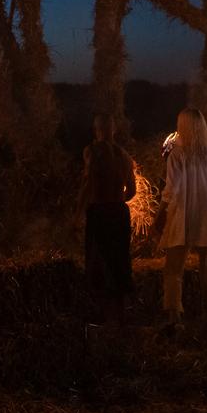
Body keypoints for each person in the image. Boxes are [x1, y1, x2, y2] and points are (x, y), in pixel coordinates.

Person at [160, 108, 207, 329]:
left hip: (183, 218)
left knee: (174, 270)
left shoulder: (177, 155)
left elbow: (172, 188)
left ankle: (174, 317)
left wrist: (160, 214)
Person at [78, 113, 136, 325]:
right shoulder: (125, 155)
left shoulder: (92, 151)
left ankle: (103, 318)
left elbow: (89, 182)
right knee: (119, 261)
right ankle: (121, 316)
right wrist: (118, 199)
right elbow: (132, 191)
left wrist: (77, 214)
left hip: (100, 211)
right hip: (120, 212)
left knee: (98, 261)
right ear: (114, 130)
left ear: (96, 130)